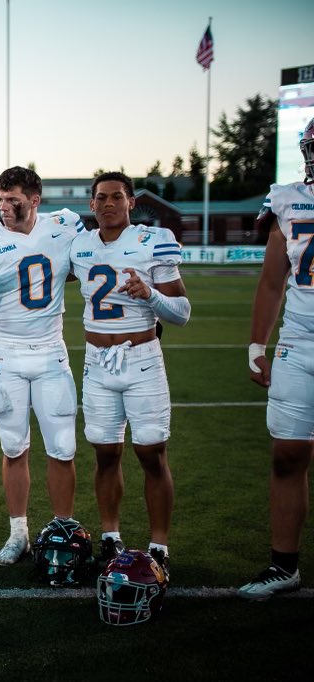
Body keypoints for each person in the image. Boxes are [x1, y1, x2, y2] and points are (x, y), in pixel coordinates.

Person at [0, 166, 84, 566]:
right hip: (3, 354)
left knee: (62, 448)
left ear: (35, 200)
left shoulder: (64, 226)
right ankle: (18, 534)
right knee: (14, 447)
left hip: (50, 351)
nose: (5, 207)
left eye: (13, 200)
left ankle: (63, 530)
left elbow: (82, 269)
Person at [69, 171, 191, 572]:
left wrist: (151, 295)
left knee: (151, 453)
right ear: (91, 204)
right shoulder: (79, 244)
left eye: (116, 197)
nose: (108, 204)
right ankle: (110, 535)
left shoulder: (152, 241)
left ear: (131, 202)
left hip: (141, 359)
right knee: (105, 453)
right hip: (96, 361)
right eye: (101, 198)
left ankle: (159, 545)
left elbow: (182, 314)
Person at [238, 117, 314, 600]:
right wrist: (256, 346)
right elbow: (272, 281)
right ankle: (283, 565)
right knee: (288, 455)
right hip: (300, 344)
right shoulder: (287, 197)